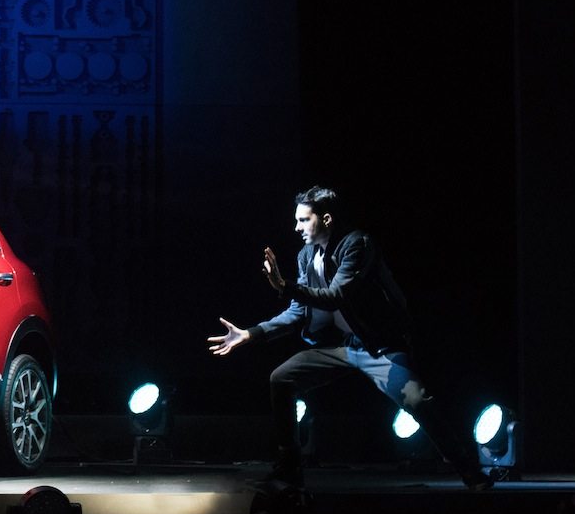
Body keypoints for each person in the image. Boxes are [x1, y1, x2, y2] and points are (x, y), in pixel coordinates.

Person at [207, 185, 493, 491]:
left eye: (303, 220)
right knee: (282, 378)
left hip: (379, 348)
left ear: (326, 219)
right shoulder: (306, 256)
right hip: (343, 347)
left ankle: (471, 473)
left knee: (416, 400)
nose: (296, 227)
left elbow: (336, 296)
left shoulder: (357, 244)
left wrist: (285, 286)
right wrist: (250, 333)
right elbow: (298, 312)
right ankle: (288, 471)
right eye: (296, 220)